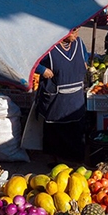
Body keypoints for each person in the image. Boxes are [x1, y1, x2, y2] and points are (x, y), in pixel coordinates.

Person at [35, 27, 88, 162]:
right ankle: (56, 160)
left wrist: (85, 64)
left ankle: (75, 160)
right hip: (56, 98)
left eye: (77, 32)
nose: (76, 35)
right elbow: (30, 62)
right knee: (56, 131)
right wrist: (42, 69)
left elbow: (84, 58)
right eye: (73, 32)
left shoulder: (79, 43)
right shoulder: (47, 47)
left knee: (75, 130)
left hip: (76, 97)